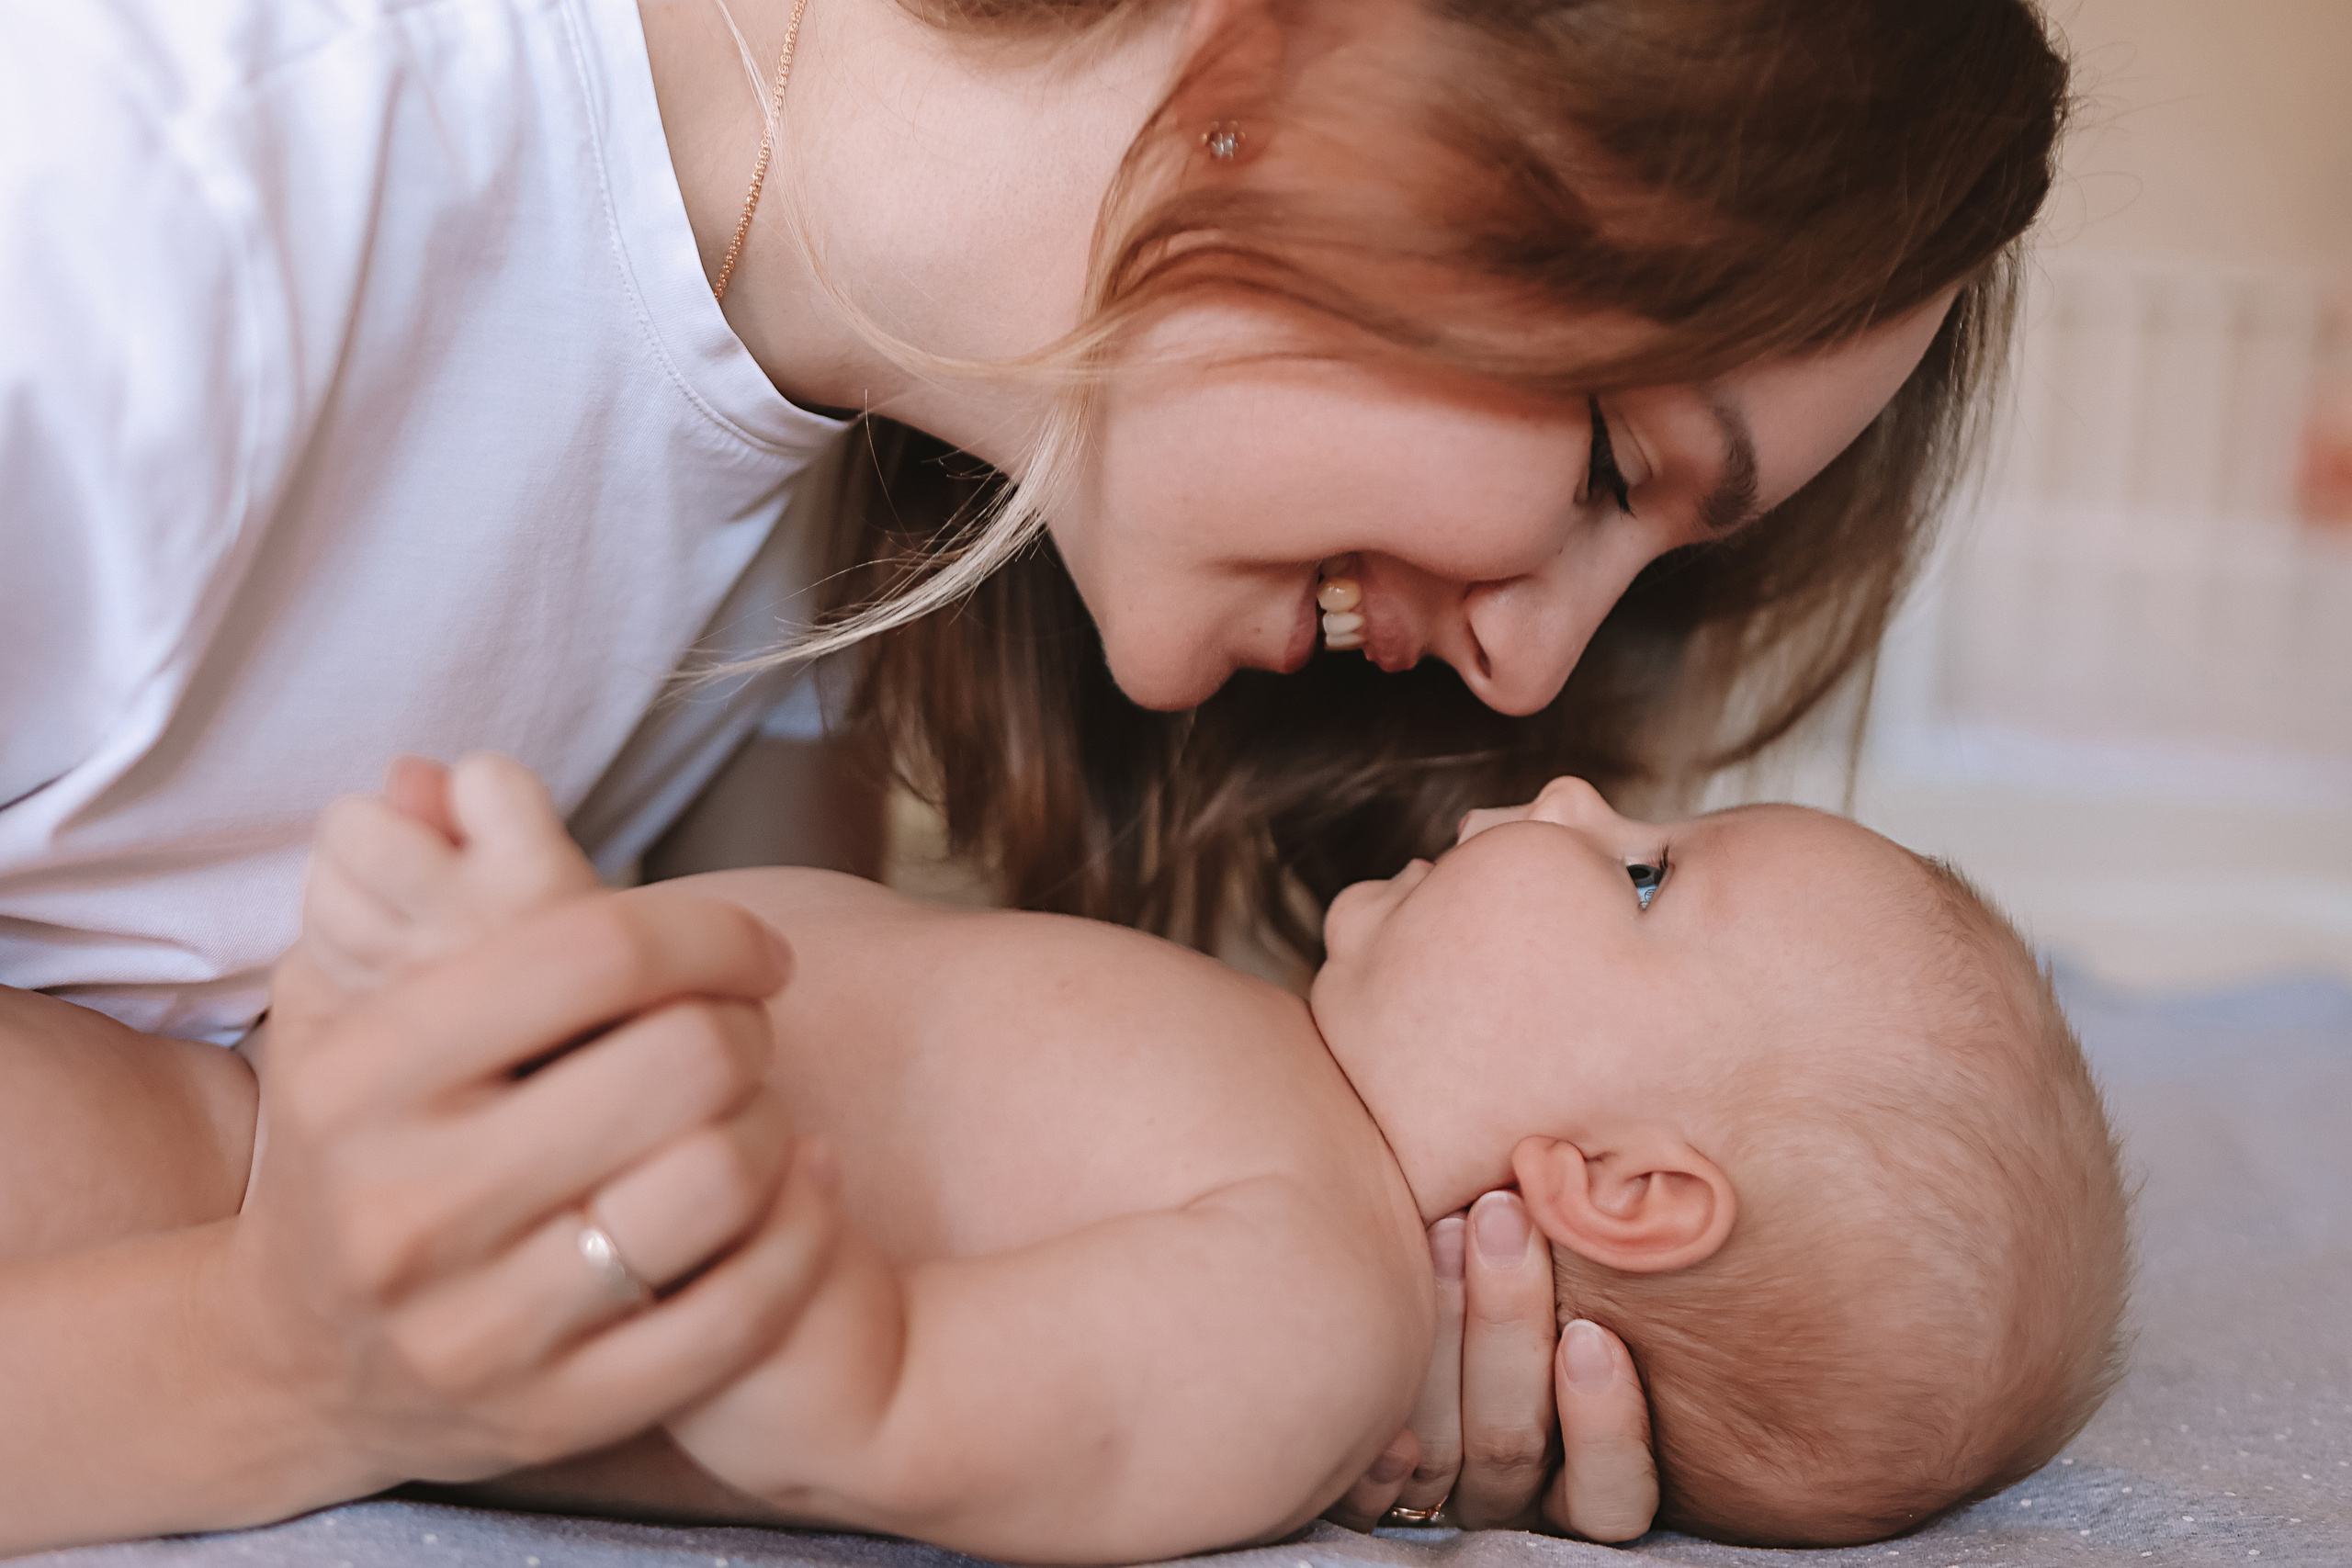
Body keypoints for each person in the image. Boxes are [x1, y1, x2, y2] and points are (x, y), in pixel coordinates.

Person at [0, 0, 2071, 1550]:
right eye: (1616, 461)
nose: (1532, 675)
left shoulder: (838, 504)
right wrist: (277, 1359)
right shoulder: (130, 225)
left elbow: (867, 1127)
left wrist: (1297, 1356)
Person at [263, 753, 2128, 1559]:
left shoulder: (1308, 1307)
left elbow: (876, 1403)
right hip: (337, 1125)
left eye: (1646, 868)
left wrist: (589, 1078)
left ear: (1623, 1187)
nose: (1565, 796)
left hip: (324, 1210)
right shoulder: (1276, 1092)